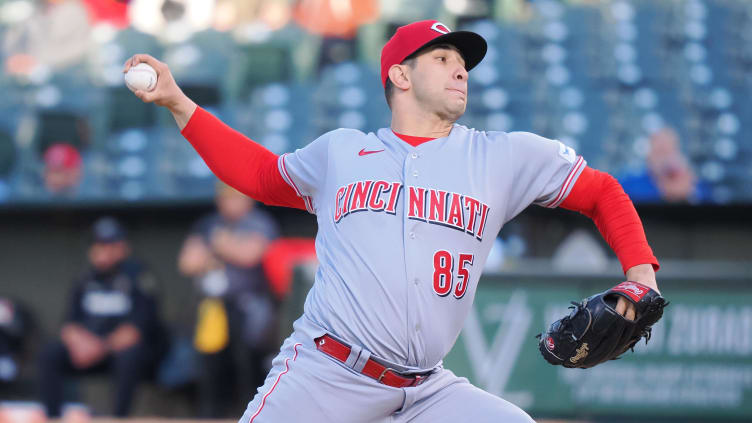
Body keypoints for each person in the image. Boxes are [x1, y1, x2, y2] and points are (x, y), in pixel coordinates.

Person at [124, 19, 660, 422]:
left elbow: (601, 191)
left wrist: (641, 275)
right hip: (325, 375)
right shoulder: (341, 154)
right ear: (400, 75)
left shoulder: (501, 157)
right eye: (444, 57)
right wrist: (178, 102)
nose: (459, 69)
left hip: (426, 392)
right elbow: (261, 174)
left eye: (463, 63)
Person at [38, 217, 163, 418]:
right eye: (98, 245)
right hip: (88, 349)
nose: (102, 251)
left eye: (109, 245)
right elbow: (68, 325)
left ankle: (119, 418)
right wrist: (81, 343)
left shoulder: (138, 276)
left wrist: (100, 347)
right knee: (50, 353)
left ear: (123, 247)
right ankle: (53, 418)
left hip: (120, 351)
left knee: (129, 355)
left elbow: (136, 330)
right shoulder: (85, 278)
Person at [178, 181, 280, 417]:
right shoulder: (208, 224)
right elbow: (188, 263)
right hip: (213, 305)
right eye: (225, 197)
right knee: (208, 361)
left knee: (248, 359)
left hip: (249, 304)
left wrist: (218, 246)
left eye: (235, 197)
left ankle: (251, 413)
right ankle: (211, 414)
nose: (229, 203)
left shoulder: (259, 222)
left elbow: (250, 255)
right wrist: (225, 247)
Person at [618, 127, 710, 204]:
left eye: (669, 151)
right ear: (649, 154)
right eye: (660, 151)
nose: (664, 158)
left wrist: (688, 194)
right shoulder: (630, 182)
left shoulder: (693, 183)